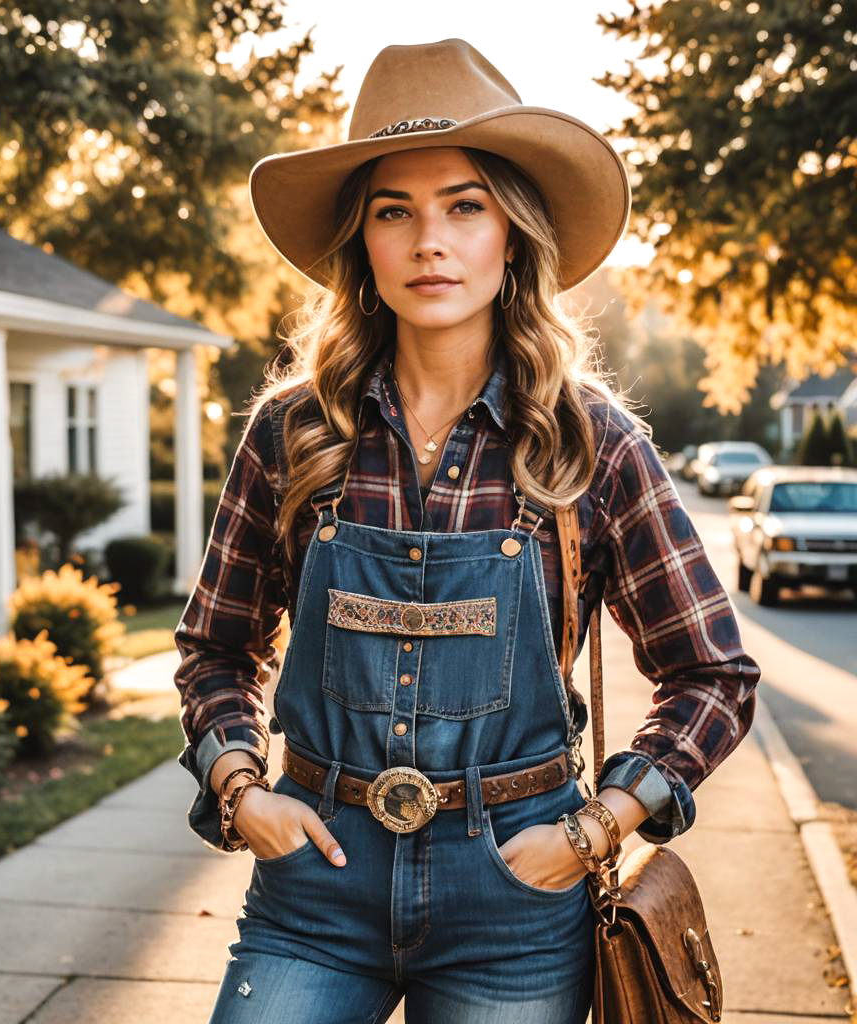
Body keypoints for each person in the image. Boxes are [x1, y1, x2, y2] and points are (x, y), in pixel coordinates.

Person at [173, 38, 760, 1023]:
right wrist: (241, 790)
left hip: (517, 896)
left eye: (463, 206)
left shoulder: (592, 442)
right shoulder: (293, 432)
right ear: (361, 242)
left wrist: (601, 822)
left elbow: (712, 674)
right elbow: (214, 649)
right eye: (392, 211)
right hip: (314, 885)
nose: (428, 241)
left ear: (512, 234)